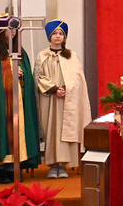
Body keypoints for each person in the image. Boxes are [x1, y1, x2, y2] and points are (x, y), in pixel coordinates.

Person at [0, 17, 42, 183]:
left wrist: (22, 75)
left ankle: (15, 167)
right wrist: (8, 72)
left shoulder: (20, 51)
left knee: (19, 130)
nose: (13, 32)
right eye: (10, 29)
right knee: (2, 130)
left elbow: (27, 75)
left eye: (15, 29)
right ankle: (1, 169)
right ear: (1, 31)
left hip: (18, 100)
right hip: (1, 100)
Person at [34, 20, 91, 178]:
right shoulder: (42, 56)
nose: (58, 36)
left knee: (66, 129)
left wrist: (66, 88)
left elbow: (78, 77)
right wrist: (54, 89)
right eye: (55, 34)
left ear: (65, 37)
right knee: (52, 129)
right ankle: (53, 166)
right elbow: (39, 77)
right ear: (49, 36)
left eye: (61, 34)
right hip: (50, 98)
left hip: (68, 99)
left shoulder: (72, 55)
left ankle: (65, 165)